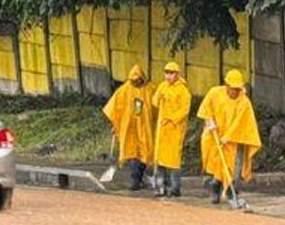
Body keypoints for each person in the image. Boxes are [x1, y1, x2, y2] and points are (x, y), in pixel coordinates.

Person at [197, 69, 261, 207]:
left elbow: (241, 123)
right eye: (232, 89)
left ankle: (232, 192)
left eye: (238, 89)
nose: (235, 92)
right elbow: (205, 110)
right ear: (226, 85)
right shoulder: (215, 93)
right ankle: (216, 189)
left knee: (233, 167)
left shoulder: (244, 102)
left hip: (234, 140)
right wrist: (209, 121)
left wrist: (228, 137)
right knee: (217, 164)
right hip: (215, 136)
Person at [102, 65, 156, 191]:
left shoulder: (150, 90)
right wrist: (116, 125)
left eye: (138, 80)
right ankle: (135, 180)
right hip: (129, 128)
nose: (136, 82)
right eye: (133, 80)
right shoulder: (123, 91)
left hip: (145, 127)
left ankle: (138, 178)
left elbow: (157, 108)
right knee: (132, 152)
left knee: (144, 152)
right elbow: (114, 109)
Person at [150, 61, 192, 197]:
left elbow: (184, 110)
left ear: (177, 74)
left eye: (171, 73)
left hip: (175, 129)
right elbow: (154, 101)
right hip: (162, 129)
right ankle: (160, 187)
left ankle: (175, 188)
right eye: (166, 73)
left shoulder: (183, 91)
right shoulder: (162, 86)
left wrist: (172, 119)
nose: (168, 76)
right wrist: (158, 98)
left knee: (173, 160)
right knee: (160, 158)